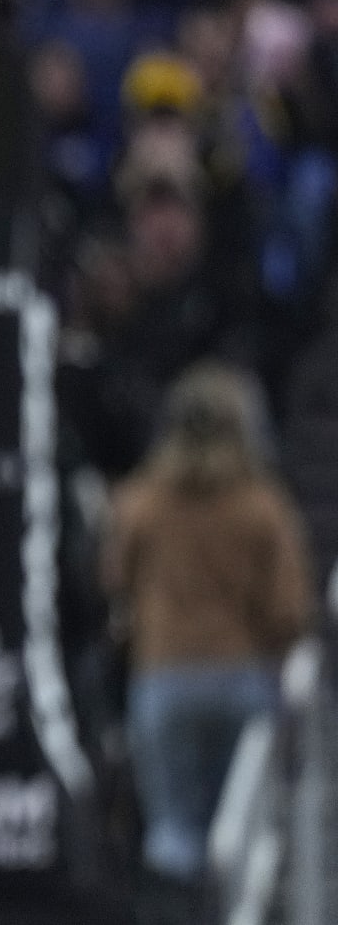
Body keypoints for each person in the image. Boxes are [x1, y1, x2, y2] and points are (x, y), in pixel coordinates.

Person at [103, 362, 313, 898]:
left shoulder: (140, 502)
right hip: (242, 677)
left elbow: (113, 581)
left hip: (163, 678)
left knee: (172, 833)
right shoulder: (263, 507)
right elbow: (290, 611)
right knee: (246, 840)